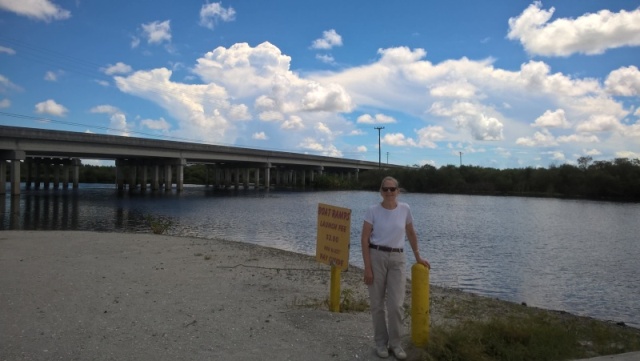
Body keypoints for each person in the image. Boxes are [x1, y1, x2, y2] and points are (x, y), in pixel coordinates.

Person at [360, 176, 430, 360]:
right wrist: (367, 267)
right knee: (377, 305)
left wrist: (418, 257)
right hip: (376, 256)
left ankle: (396, 344)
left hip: (398, 258)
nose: (389, 192)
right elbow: (364, 239)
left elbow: (411, 233)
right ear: (381, 191)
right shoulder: (372, 211)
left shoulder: (405, 209)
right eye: (386, 189)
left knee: (396, 305)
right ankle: (381, 343)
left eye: (393, 189)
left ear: (398, 191)